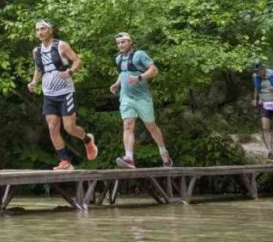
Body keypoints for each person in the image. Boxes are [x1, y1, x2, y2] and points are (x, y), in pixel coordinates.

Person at [26, 20, 98, 170]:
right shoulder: (36, 51)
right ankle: (65, 161)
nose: (40, 32)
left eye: (43, 29)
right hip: (48, 93)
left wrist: (70, 72)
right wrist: (34, 82)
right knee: (52, 127)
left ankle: (87, 140)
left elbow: (78, 60)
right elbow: (39, 69)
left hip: (65, 92)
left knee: (69, 128)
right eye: (37, 30)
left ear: (50, 30)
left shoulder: (61, 45)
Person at [109, 32, 171, 168]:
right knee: (128, 125)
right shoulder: (118, 58)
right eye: (118, 43)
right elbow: (122, 73)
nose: (120, 45)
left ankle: (163, 151)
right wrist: (117, 84)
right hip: (125, 97)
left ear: (130, 42)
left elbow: (154, 70)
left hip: (142, 98)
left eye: (123, 42)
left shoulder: (139, 55)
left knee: (151, 126)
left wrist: (139, 78)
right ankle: (129, 158)